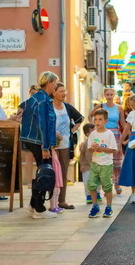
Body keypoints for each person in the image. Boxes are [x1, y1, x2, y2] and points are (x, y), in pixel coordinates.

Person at [20, 71, 59, 219]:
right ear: (49, 83)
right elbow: (43, 124)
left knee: (42, 173)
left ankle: (32, 205)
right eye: (55, 82)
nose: (56, 85)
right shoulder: (42, 100)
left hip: (33, 140)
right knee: (45, 174)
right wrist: (45, 147)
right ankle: (39, 208)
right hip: (39, 142)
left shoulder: (36, 98)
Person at [51, 82, 84, 210]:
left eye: (65, 91)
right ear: (54, 93)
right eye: (61, 91)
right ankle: (51, 201)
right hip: (52, 145)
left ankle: (62, 200)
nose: (64, 93)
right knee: (52, 172)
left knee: (63, 172)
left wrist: (71, 131)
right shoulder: (49, 107)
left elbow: (80, 119)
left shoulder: (67, 107)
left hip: (65, 145)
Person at [89, 88, 126, 194]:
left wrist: (126, 136)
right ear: (104, 95)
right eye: (107, 94)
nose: (109, 96)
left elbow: (123, 124)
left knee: (117, 162)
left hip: (115, 134)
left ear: (114, 95)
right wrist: (94, 127)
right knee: (104, 159)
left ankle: (117, 183)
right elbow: (90, 116)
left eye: (111, 94)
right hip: (102, 134)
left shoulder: (119, 108)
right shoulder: (100, 106)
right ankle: (106, 185)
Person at [87, 109, 118, 218]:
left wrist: (100, 148)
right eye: (95, 120)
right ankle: (95, 206)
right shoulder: (92, 134)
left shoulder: (109, 134)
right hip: (95, 164)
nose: (97, 122)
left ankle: (109, 207)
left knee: (107, 186)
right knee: (91, 185)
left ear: (106, 121)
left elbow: (113, 149)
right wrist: (93, 148)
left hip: (106, 164)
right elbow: (89, 150)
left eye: (100, 119)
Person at [17, 85, 38, 186]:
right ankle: (29, 182)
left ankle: (39, 180)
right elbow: (17, 118)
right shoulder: (24, 104)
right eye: (32, 93)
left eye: (36, 93)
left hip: (39, 134)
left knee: (40, 158)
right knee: (28, 158)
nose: (33, 95)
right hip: (27, 134)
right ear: (29, 93)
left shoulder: (41, 104)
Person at [79, 123, 103, 204]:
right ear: (87, 134)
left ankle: (98, 193)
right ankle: (88, 195)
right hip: (87, 166)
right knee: (87, 182)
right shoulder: (85, 144)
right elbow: (81, 155)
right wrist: (82, 165)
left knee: (98, 181)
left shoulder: (98, 142)